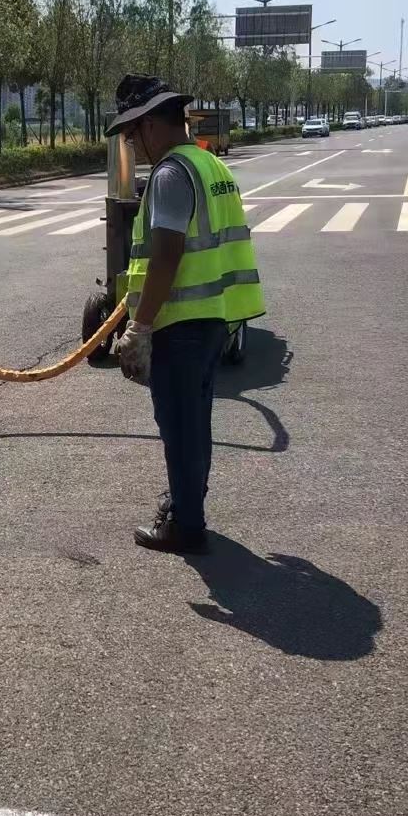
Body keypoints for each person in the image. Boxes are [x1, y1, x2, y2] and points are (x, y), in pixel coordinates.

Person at [106, 75, 265, 556]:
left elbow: (167, 254)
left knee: (179, 426)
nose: (132, 143)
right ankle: (186, 503)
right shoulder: (210, 164)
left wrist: (141, 326)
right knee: (195, 421)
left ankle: (186, 525)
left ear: (153, 124)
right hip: (214, 317)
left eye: (132, 133)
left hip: (181, 324)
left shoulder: (171, 174)